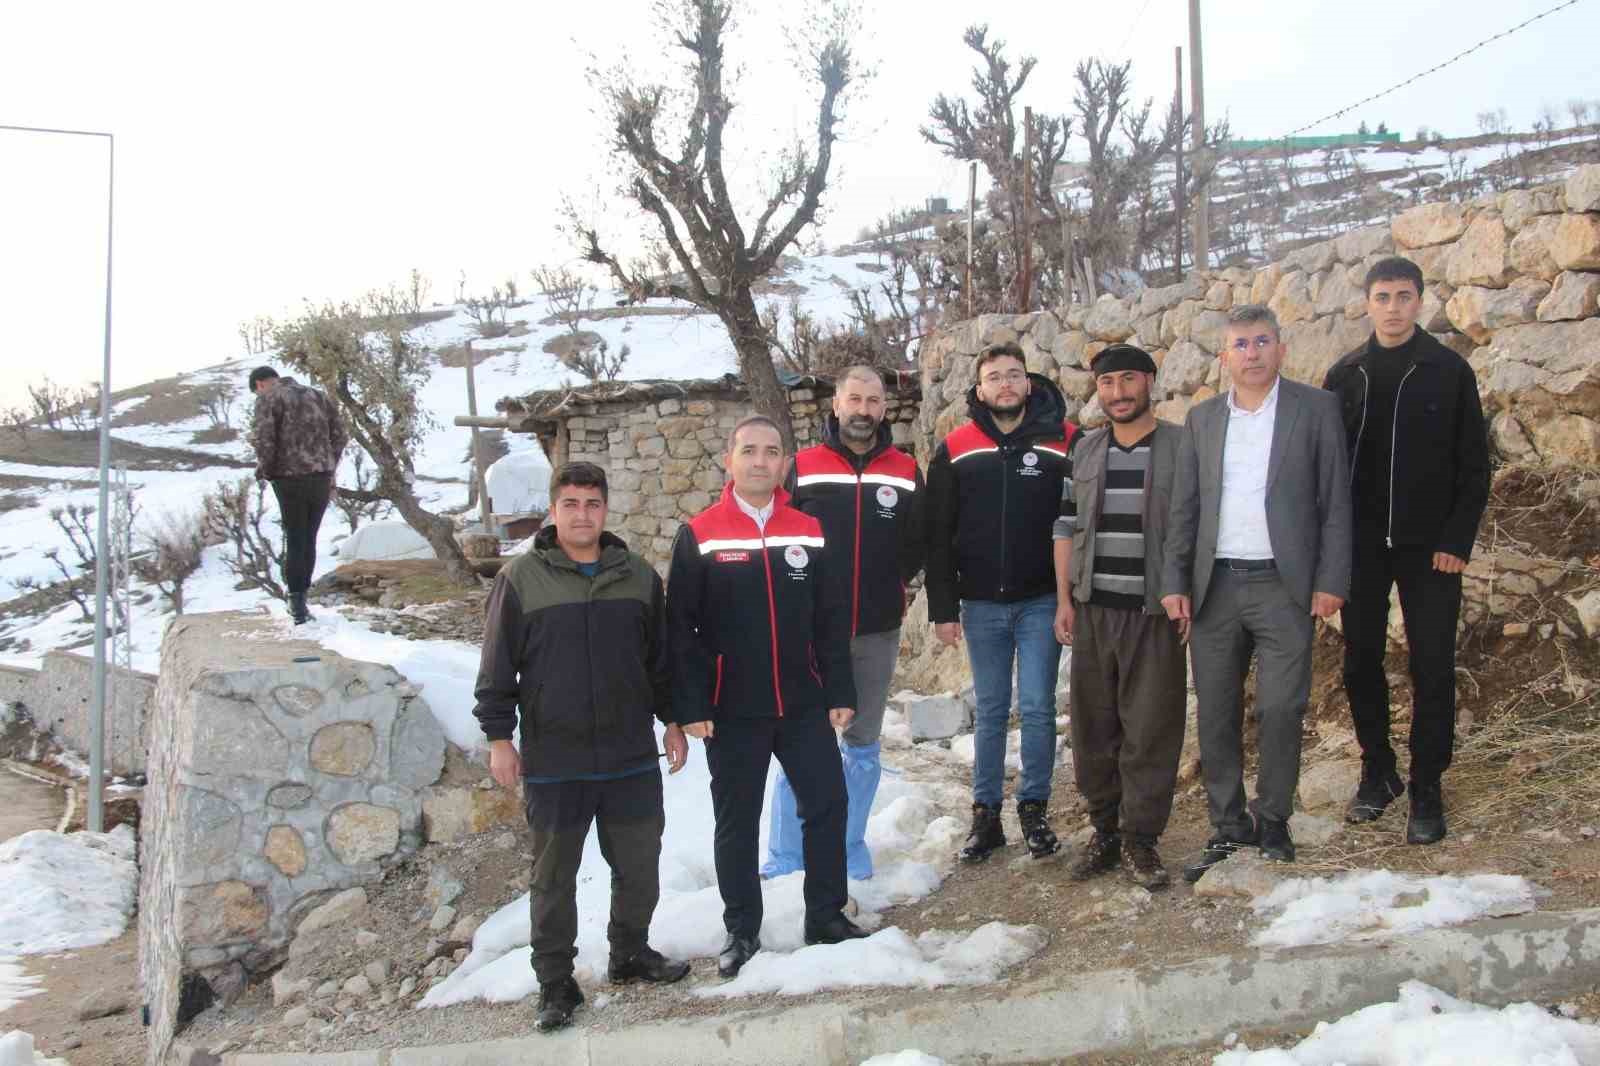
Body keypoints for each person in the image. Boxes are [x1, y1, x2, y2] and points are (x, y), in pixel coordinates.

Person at [472, 462, 691, 1033]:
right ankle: (555, 981)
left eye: (592, 504)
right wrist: (499, 737)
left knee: (639, 866)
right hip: (555, 759)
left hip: (629, 757)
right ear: (553, 510)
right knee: (553, 878)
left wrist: (672, 720)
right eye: (570, 504)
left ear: (605, 510)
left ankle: (630, 953)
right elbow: (497, 666)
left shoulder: (637, 576)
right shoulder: (520, 579)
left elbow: (661, 661)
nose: (582, 515)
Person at [667, 414, 866, 979]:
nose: (760, 461)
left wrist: (839, 687)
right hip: (732, 709)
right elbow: (679, 629)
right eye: (749, 450)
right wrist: (691, 706)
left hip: (804, 702)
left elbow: (831, 619)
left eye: (772, 451)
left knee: (827, 805)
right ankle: (741, 930)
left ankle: (825, 915)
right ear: (729, 460)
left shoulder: (808, 529)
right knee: (737, 821)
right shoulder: (700, 533)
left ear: (784, 463)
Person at [1160, 306, 1352, 882]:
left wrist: (1331, 579)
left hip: (1283, 584)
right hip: (1214, 586)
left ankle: (1273, 819)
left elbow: (1335, 500)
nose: (1252, 353)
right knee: (1216, 710)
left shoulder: (1315, 409)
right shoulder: (1202, 419)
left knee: (1281, 706)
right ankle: (1227, 824)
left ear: (1281, 349)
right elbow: (1185, 507)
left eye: (1262, 341)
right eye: (1241, 344)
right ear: (1225, 357)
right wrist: (1174, 581)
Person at [1323, 256, 1489, 845]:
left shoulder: (1449, 371)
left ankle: (1426, 784)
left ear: (1420, 301)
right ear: (1367, 304)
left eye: (1403, 296)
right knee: (1360, 662)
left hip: (1430, 551)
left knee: (1432, 665)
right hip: (1362, 549)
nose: (1393, 308)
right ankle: (1379, 772)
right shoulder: (1345, 375)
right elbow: (1326, 470)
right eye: (1382, 297)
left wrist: (1455, 540)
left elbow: (1475, 465)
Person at [762, 366, 925, 882]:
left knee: (862, 745)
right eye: (854, 399)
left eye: (873, 400)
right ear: (835, 404)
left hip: (876, 630)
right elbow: (777, 537)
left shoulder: (905, 470)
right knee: (802, 743)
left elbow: (917, 541)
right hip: (810, 635)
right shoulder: (802, 468)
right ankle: (787, 855)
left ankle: (848, 846)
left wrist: (887, 583)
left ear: (883, 408)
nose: (863, 409)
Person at [925, 342, 1079, 865]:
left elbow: (1079, 520)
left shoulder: (1065, 440)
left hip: (1042, 601)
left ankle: (1034, 810)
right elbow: (938, 533)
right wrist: (943, 609)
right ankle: (986, 816)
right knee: (990, 711)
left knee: (1037, 707)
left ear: (1028, 383)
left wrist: (1071, 596)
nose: (1006, 384)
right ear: (980, 388)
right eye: (995, 377)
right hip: (981, 604)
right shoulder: (956, 448)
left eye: (1014, 374)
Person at [1052, 344, 1187, 889]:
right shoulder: (1084, 450)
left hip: (1154, 613)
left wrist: (1186, 592)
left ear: (1150, 381)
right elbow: (1065, 526)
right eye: (1107, 383)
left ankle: (1141, 839)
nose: (1118, 392)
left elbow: (1195, 526)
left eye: (1128, 379)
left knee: (1150, 729)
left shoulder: (1182, 447)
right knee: (1093, 729)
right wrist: (1064, 600)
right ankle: (1105, 831)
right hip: (1093, 611)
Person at [248, 366, 346, 625]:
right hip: (320, 475)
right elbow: (340, 435)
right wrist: (328, 465)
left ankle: (296, 604)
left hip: (288, 477)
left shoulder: (268, 399)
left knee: (294, 536)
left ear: (259, 384)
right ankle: (302, 597)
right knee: (309, 538)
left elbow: (264, 440)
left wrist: (265, 470)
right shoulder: (318, 396)